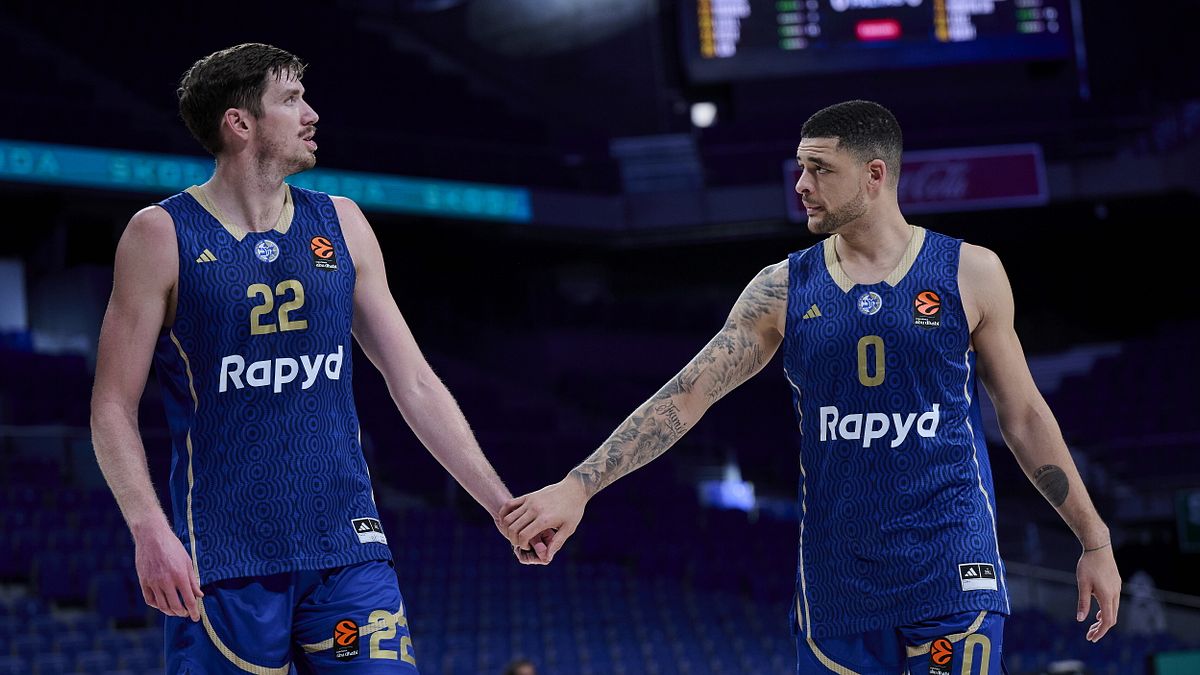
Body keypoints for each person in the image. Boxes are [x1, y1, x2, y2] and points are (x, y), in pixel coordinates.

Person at [501, 100, 1122, 673]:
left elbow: (1024, 416)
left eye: (819, 169)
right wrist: (577, 487)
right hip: (837, 587)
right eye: (801, 167)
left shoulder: (971, 272)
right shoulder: (782, 288)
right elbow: (686, 396)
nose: (800, 184)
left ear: (874, 175)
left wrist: (1094, 539)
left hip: (952, 568)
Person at [90, 43, 544, 674]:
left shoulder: (343, 222)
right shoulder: (159, 234)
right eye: (291, 99)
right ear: (240, 123)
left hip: (347, 546)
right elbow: (112, 407)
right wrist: (148, 530)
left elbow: (413, 379)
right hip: (223, 558)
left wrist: (500, 504)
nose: (312, 114)